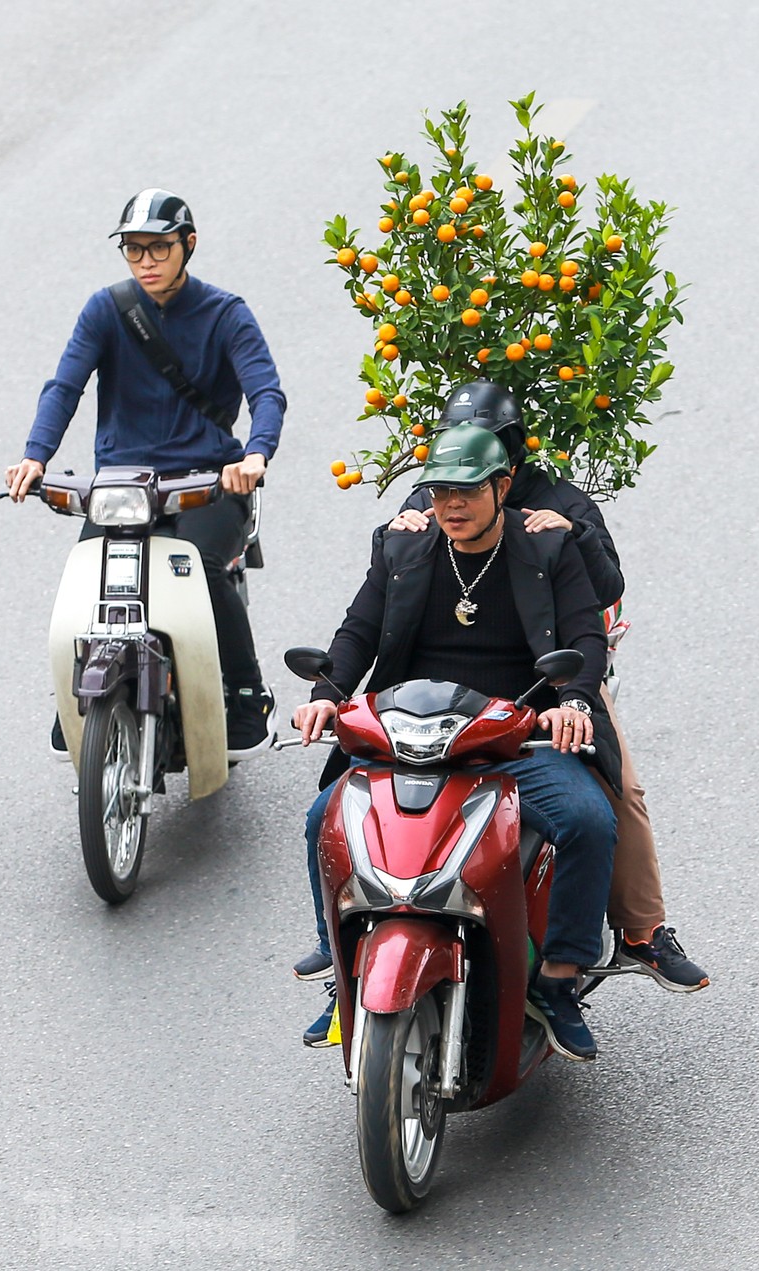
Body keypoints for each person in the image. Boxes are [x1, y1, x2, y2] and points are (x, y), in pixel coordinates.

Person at [363, 381, 709, 992]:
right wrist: (396, 526)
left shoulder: (559, 504)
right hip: (443, 706)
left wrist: (570, 537)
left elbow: (601, 591)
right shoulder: (432, 493)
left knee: (612, 787)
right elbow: (385, 585)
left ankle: (639, 931)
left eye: (490, 450)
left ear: (511, 461)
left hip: (554, 680)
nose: (458, 485)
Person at [289, 422, 616, 1060]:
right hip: (408, 733)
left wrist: (572, 701)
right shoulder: (404, 552)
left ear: (502, 486)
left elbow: (584, 637)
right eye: (438, 492)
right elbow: (358, 630)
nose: (451, 506)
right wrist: (327, 691)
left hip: (515, 737)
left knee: (587, 821)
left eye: (466, 491)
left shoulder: (545, 549)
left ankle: (558, 979)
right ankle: (343, 963)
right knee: (321, 819)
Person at [5, 189, 287, 756]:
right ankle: (77, 694)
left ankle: (248, 695)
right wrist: (36, 455)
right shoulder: (106, 309)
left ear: (189, 245)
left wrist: (255, 455)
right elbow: (65, 386)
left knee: (203, 568)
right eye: (134, 251)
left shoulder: (226, 313)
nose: (147, 262)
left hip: (206, 483)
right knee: (88, 582)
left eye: (159, 248)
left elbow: (266, 390)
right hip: (122, 487)